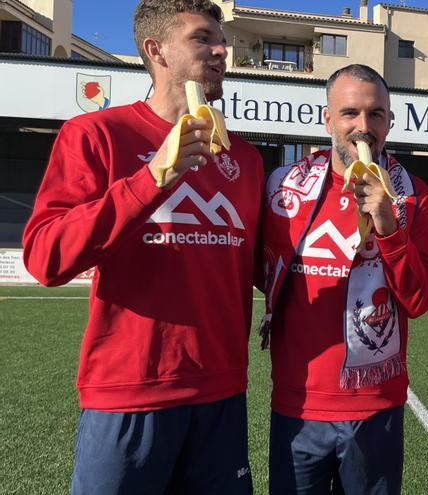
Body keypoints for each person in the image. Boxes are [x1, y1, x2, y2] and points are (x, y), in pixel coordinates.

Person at [21, 1, 263, 493]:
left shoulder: (245, 158)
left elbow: (268, 267)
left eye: (222, 40)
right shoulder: (96, 134)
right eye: (202, 39)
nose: (221, 50)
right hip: (128, 394)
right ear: (157, 51)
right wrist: (152, 178)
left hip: (221, 393)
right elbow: (45, 257)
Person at [260, 64, 428, 494]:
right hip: (298, 403)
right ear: (327, 120)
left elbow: (417, 301)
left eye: (376, 115)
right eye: (350, 113)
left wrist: (389, 227)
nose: (363, 127)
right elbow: (260, 275)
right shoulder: (283, 188)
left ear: (390, 121)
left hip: (377, 405)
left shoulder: (414, 194)